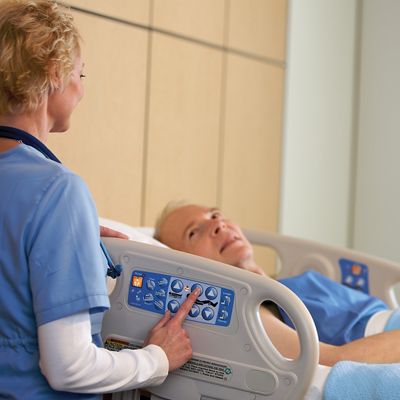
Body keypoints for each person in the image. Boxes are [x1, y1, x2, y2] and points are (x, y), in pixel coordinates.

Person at [0, 1, 199, 398]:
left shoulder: (38, 198)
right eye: (81, 74)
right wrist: (158, 358)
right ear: (55, 72)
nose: (82, 88)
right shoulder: (56, 191)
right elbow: (68, 368)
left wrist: (68, 235)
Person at [154, 201, 400, 366]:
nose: (218, 224)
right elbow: (333, 361)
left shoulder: (287, 285)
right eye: (194, 232)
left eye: (215, 215)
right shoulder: (253, 313)